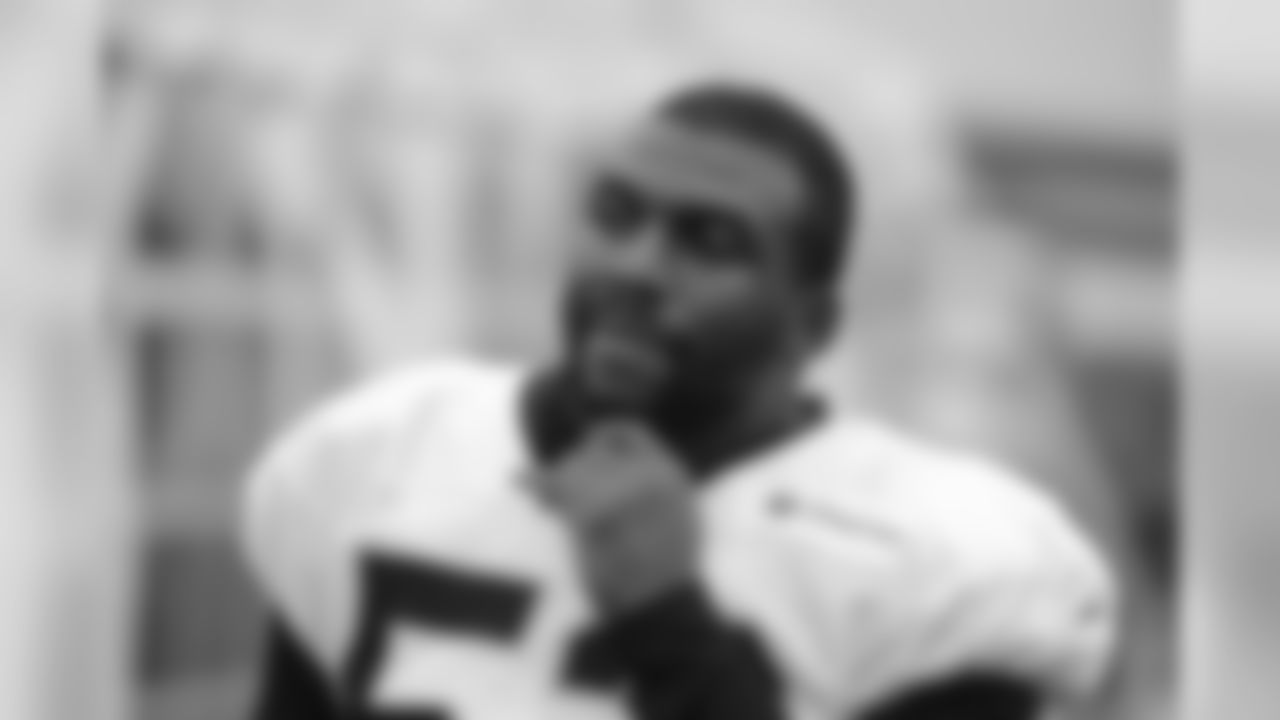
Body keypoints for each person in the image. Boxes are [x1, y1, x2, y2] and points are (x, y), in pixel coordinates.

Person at [241, 81, 1116, 720]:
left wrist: (666, 617)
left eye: (711, 242)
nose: (636, 267)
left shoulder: (934, 558)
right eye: (616, 215)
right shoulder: (382, 453)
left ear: (814, 326)